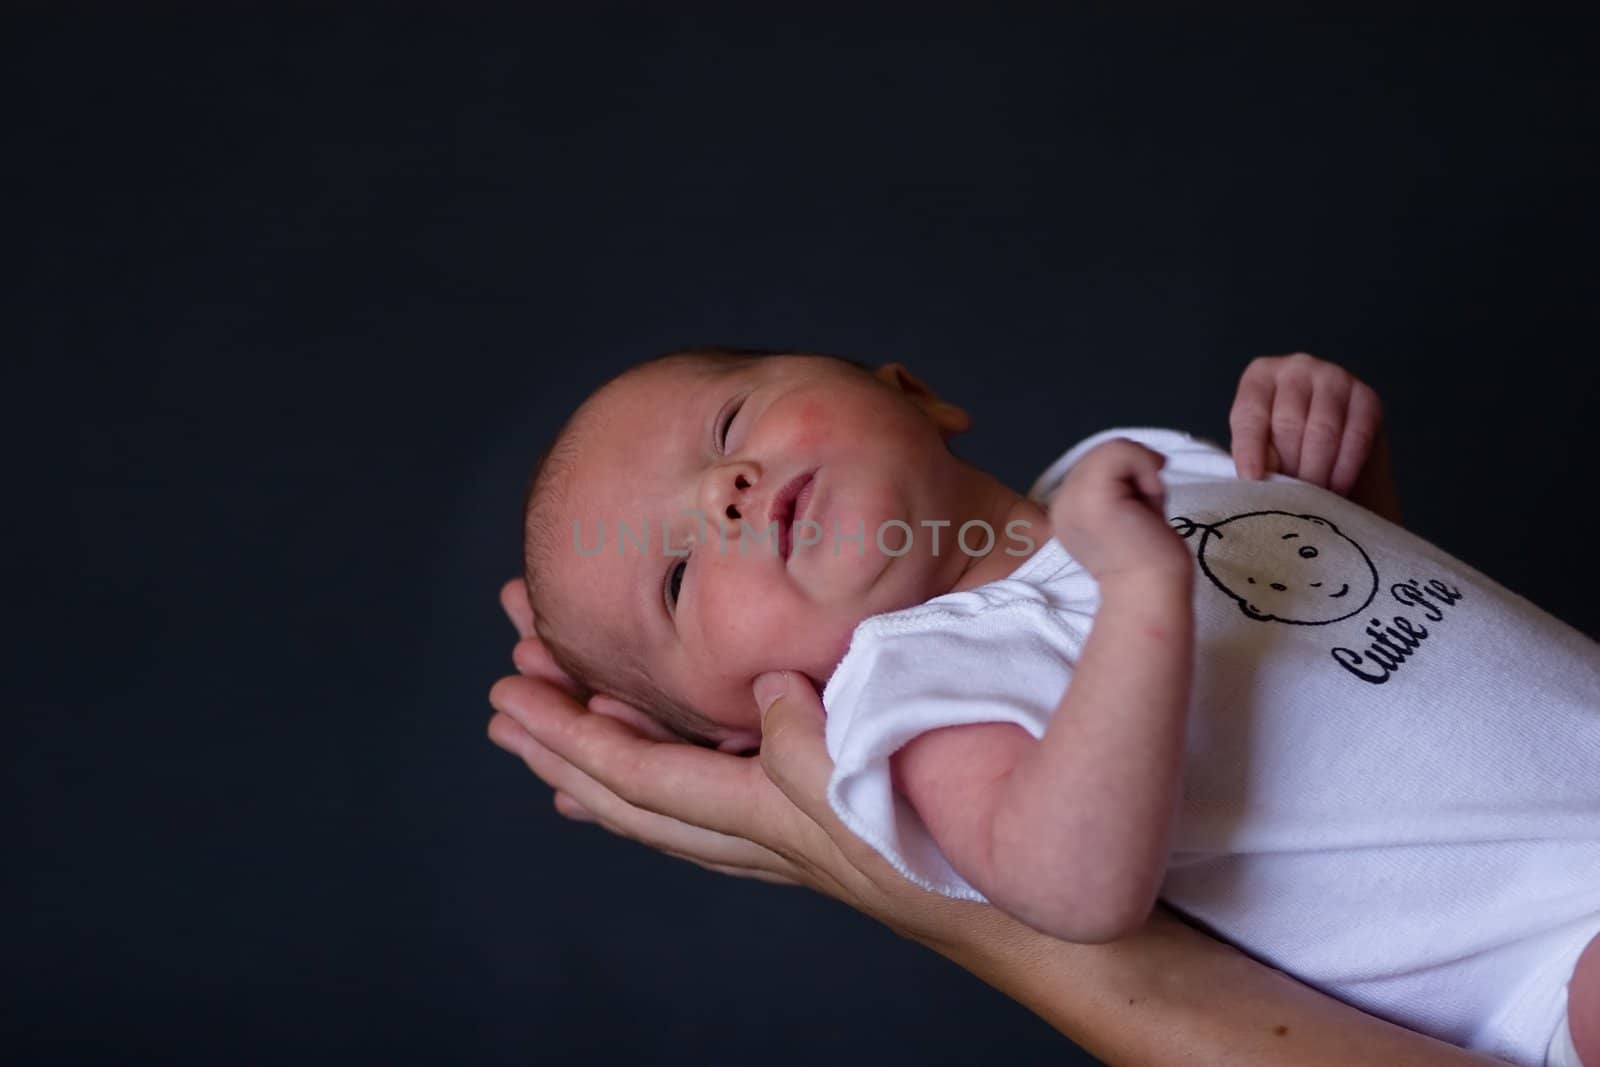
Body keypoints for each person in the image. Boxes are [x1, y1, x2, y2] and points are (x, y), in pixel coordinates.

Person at [499, 349, 1598, 1066]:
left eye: (730, 416)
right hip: (1550, 952)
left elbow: (1356, 668)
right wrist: (1134, 594)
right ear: (744, 724)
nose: (721, 489)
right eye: (680, 573)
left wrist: (1337, 494)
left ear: (914, 390)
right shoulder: (920, 693)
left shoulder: (1123, 473)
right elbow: (1076, 890)